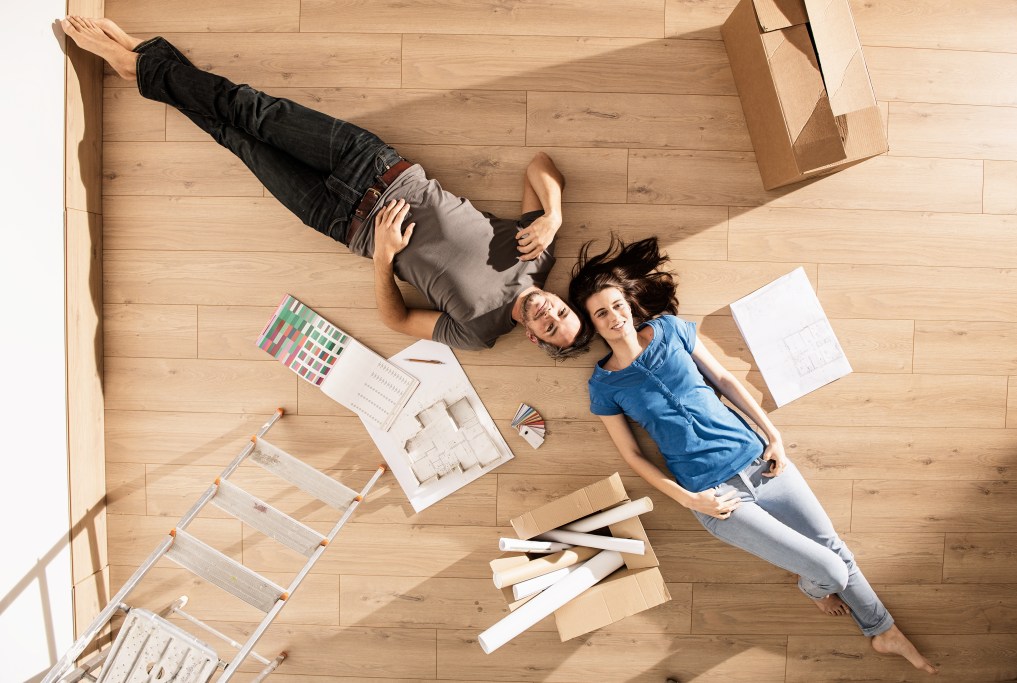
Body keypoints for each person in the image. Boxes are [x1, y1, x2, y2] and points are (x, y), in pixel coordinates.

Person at [60, 16, 588, 355]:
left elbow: (397, 319)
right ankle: (135, 64)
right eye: (561, 312)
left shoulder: (478, 333)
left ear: (533, 337)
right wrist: (554, 214)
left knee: (235, 137)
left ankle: (145, 61)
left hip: (340, 222)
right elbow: (539, 165)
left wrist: (384, 257)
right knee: (249, 108)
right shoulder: (538, 253)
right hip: (374, 166)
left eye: (549, 327)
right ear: (562, 301)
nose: (549, 314)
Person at [568, 236, 938, 675]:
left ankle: (884, 631)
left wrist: (773, 436)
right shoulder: (604, 385)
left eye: (616, 305)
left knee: (833, 548)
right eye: (601, 313)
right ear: (593, 324)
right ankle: (815, 588)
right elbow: (633, 456)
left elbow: (725, 380)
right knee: (830, 569)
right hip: (716, 497)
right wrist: (690, 500)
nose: (614, 317)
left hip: (761, 462)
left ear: (629, 302)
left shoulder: (671, 329)